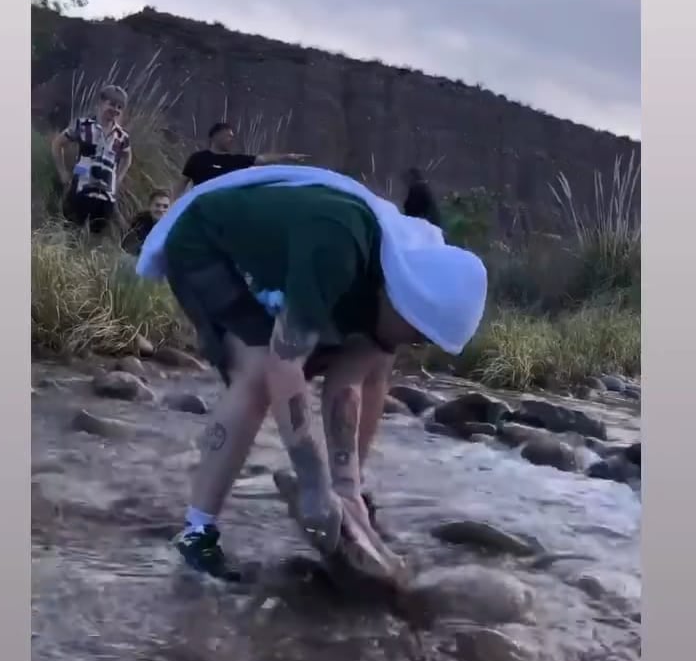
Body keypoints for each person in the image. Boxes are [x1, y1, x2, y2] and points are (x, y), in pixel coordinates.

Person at [136, 164, 487, 582]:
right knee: (257, 370)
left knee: (337, 370)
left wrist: (346, 486)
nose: (413, 344)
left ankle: (342, 494)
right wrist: (313, 483)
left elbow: (346, 386)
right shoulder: (336, 247)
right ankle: (197, 533)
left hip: (279, 262)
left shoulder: (396, 300)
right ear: (402, 301)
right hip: (204, 241)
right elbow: (284, 365)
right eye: (416, 334)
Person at [52, 84, 132, 237]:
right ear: (101, 103)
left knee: (97, 236)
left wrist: (118, 179)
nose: (115, 110)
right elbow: (57, 144)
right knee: (72, 231)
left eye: (119, 107)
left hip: (105, 194)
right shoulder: (83, 125)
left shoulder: (122, 136)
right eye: (112, 104)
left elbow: (127, 157)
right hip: (81, 186)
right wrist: (62, 172)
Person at [178, 122, 307, 195]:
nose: (231, 139)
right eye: (228, 136)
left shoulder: (235, 161)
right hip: (199, 205)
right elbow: (181, 183)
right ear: (215, 136)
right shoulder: (197, 159)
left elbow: (261, 159)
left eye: (232, 136)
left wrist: (287, 157)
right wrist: (174, 203)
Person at [121, 189, 171, 256]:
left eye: (165, 206)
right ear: (150, 206)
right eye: (157, 205)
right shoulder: (139, 224)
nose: (161, 210)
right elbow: (127, 249)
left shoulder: (175, 227)